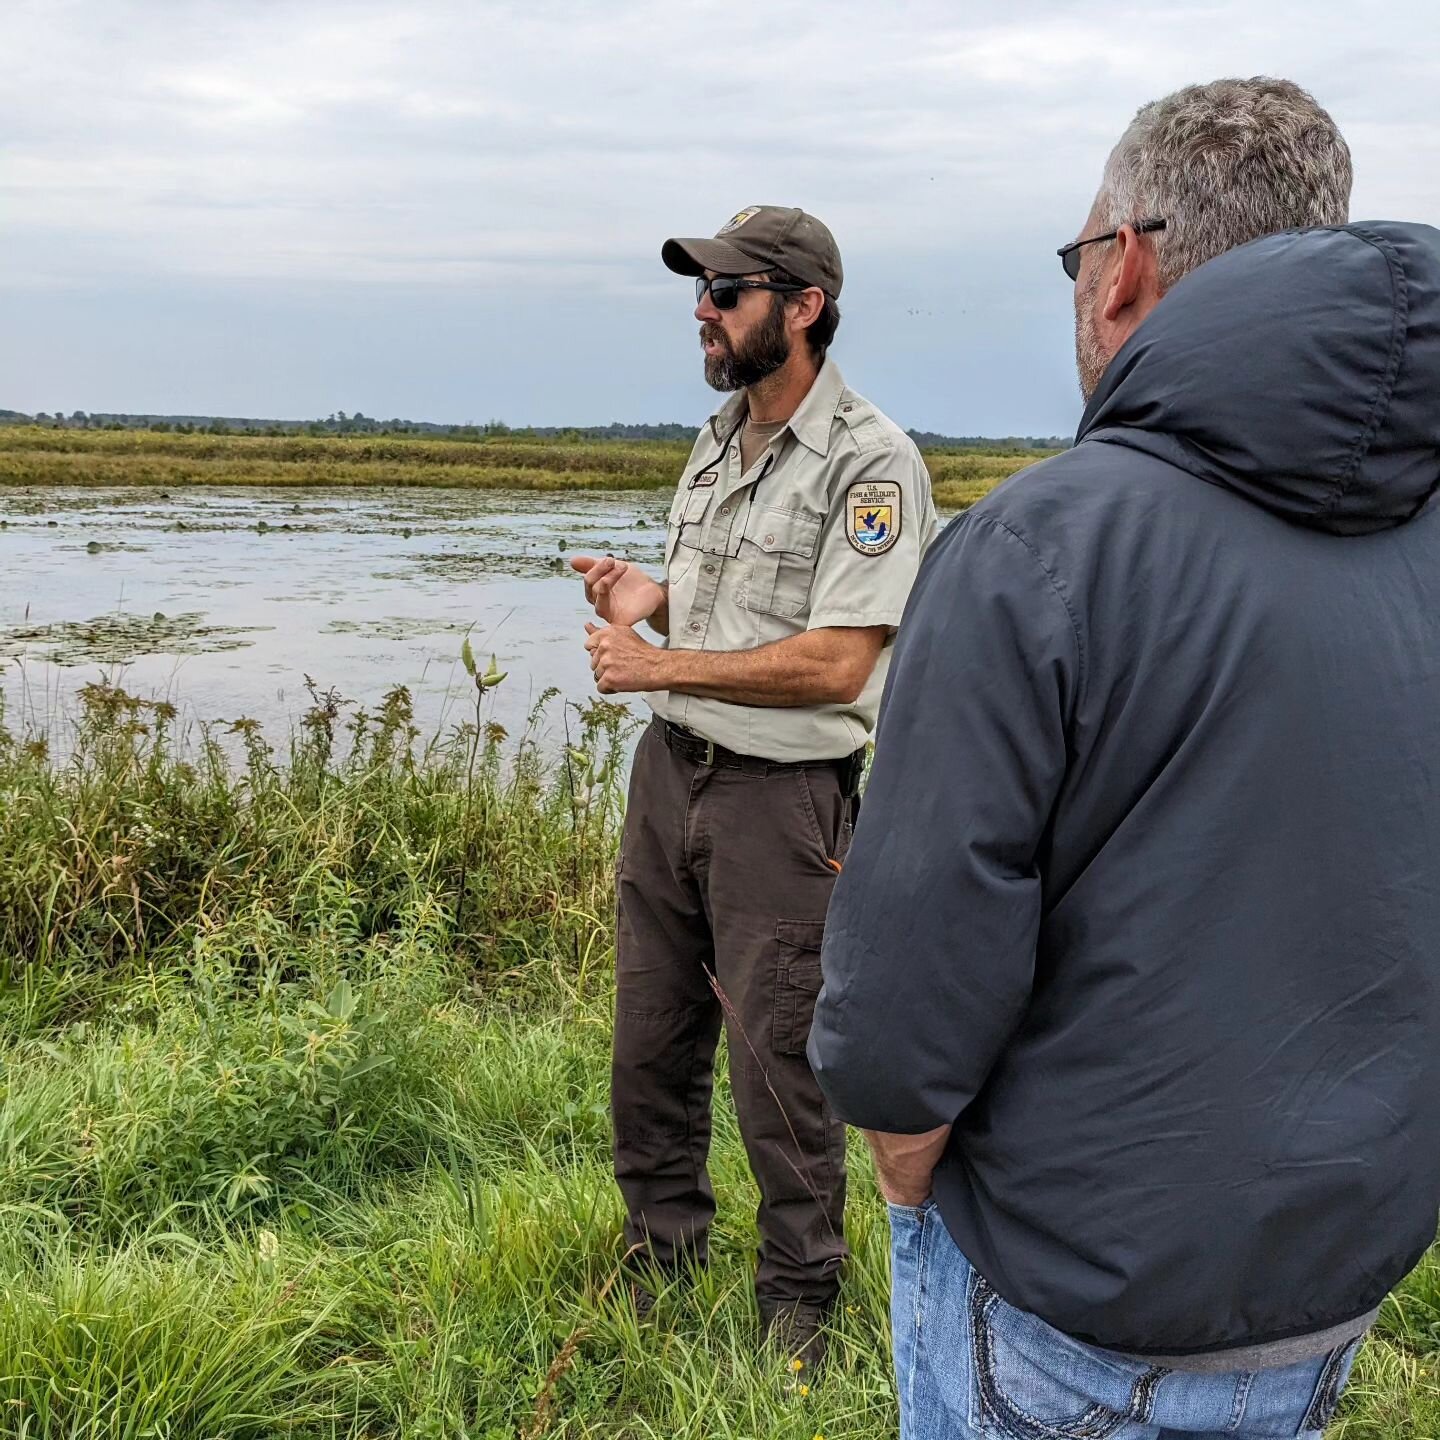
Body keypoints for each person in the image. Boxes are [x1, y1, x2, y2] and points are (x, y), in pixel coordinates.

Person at [810, 77, 1440, 1438]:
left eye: (1075, 255)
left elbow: (904, 1006)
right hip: (1339, 1278)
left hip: (1067, 1304)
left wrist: (911, 1176)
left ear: (1126, 266)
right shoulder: (1422, 537)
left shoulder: (1041, 549)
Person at [571, 204, 936, 1366]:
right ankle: (661, 1252)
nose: (704, 312)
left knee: (776, 1056)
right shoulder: (720, 437)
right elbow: (729, 602)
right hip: (670, 776)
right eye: (702, 292)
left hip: (782, 802)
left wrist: (658, 663)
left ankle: (801, 1306)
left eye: (727, 294)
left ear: (804, 307)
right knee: (649, 1038)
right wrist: (649, 596)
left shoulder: (872, 462)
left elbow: (839, 661)